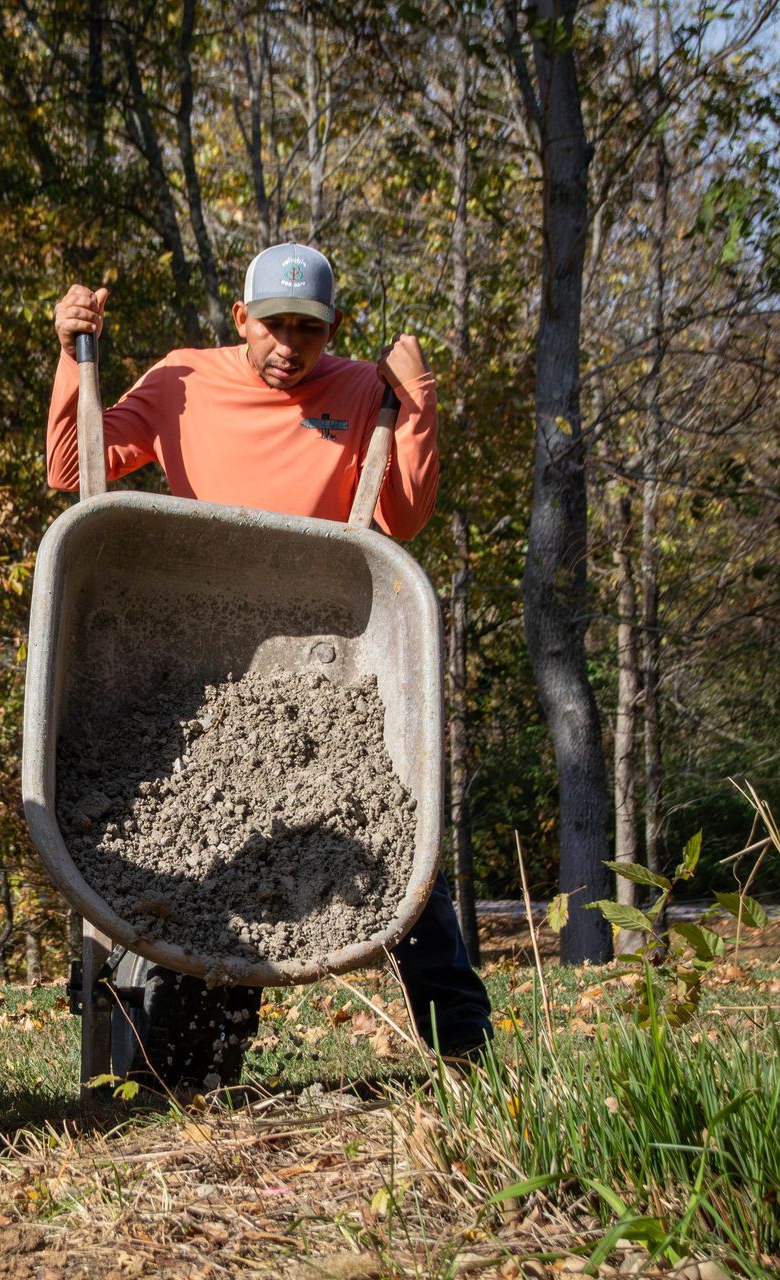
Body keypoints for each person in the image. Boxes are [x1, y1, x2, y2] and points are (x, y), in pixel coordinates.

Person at [46, 243, 493, 1078]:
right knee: (208, 863)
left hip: (323, 674)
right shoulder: (184, 380)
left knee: (401, 856)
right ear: (240, 318)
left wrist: (417, 404)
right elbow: (76, 470)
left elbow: (401, 513)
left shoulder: (362, 391)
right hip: (204, 669)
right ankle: (181, 1070)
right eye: (275, 326)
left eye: (310, 331)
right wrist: (74, 361)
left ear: (332, 331)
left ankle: (470, 1057)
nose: (290, 346)